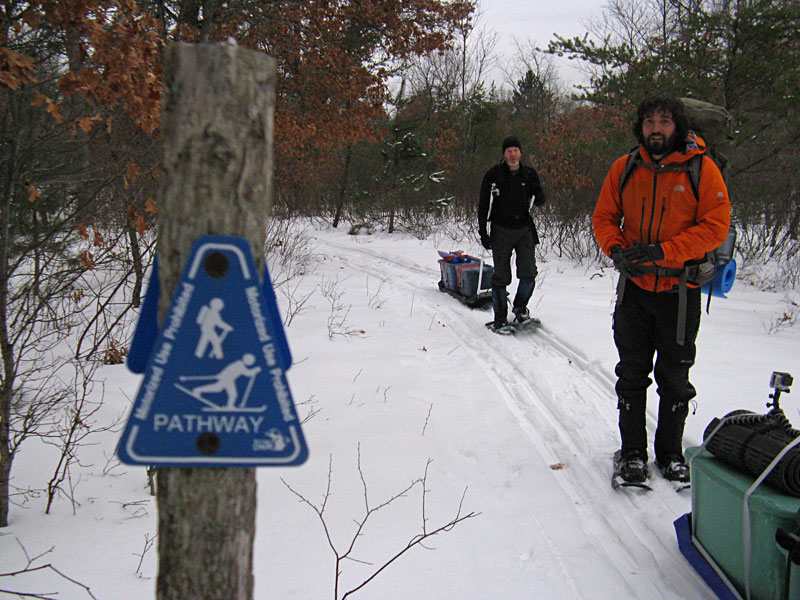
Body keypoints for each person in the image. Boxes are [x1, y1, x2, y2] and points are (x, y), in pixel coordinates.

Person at [593, 93, 731, 484]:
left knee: (675, 377)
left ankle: (670, 453)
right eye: (650, 121)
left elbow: (714, 226)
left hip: (679, 293)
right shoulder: (625, 167)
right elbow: (604, 216)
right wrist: (617, 249)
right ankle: (633, 453)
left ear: (678, 127)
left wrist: (663, 253)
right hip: (634, 291)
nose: (657, 129)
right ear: (641, 127)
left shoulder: (701, 170)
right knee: (632, 374)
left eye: (665, 122)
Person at [478, 135, 546, 330]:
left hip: (524, 229)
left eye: (515, 150)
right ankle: (500, 317)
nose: (513, 154)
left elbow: (538, 197)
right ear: (504, 154)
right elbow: (483, 204)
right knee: (501, 276)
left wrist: (541, 197)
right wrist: (483, 232)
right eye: (509, 151)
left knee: (529, 273)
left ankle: (520, 308)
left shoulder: (530, 174)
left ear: (520, 152)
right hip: (501, 229)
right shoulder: (494, 175)